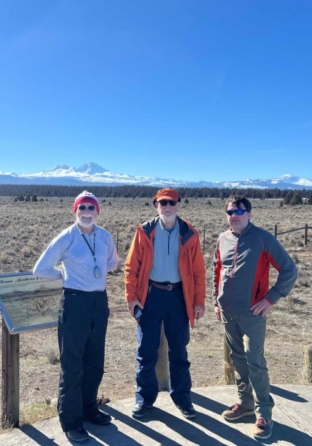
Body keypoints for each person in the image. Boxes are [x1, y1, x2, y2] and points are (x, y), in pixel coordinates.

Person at [33, 191, 119, 443]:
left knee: (94, 362)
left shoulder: (104, 236)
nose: (86, 211)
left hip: (98, 302)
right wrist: (65, 277)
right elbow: (40, 269)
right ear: (75, 210)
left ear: (98, 211)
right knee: (72, 365)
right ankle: (71, 421)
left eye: (91, 207)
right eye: (82, 207)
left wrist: (94, 276)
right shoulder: (67, 237)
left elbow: (112, 262)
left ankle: (89, 408)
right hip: (74, 303)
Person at [213, 196, 298, 440]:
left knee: (255, 362)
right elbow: (217, 270)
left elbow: (289, 270)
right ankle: (246, 404)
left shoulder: (262, 238)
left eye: (239, 210)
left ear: (249, 213)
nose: (234, 215)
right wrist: (215, 301)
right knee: (238, 359)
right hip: (228, 311)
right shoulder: (223, 239)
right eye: (230, 211)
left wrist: (270, 298)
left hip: (252, 313)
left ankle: (264, 414)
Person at [124, 188, 206, 420]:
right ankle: (144, 399)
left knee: (179, 351)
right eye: (163, 203)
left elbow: (199, 271)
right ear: (155, 206)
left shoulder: (189, 234)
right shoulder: (145, 232)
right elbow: (131, 268)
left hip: (178, 297)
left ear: (179, 205)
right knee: (145, 350)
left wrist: (198, 301)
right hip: (150, 295)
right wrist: (132, 297)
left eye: (172, 202)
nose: (167, 207)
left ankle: (182, 398)